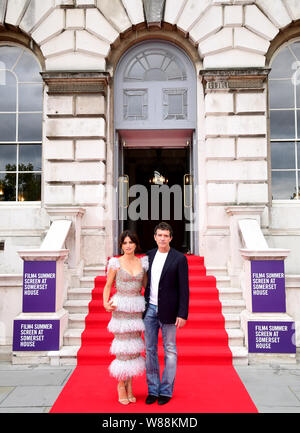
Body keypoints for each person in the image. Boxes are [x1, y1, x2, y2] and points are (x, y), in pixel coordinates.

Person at [143, 222, 189, 405]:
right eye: (159, 235)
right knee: (149, 350)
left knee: (170, 350)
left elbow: (184, 288)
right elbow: (142, 281)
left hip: (170, 311)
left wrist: (182, 314)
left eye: (166, 235)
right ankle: (153, 390)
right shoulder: (149, 256)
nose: (162, 238)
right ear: (155, 237)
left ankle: (166, 391)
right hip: (150, 310)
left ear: (171, 238)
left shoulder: (179, 258)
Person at [103, 230, 148, 405]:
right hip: (120, 306)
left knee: (133, 348)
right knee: (123, 348)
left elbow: (146, 286)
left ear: (136, 244)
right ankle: (121, 385)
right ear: (121, 245)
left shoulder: (142, 263)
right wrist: (105, 303)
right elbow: (108, 286)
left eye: (131, 242)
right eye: (125, 243)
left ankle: (130, 385)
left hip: (136, 307)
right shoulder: (115, 263)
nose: (128, 246)